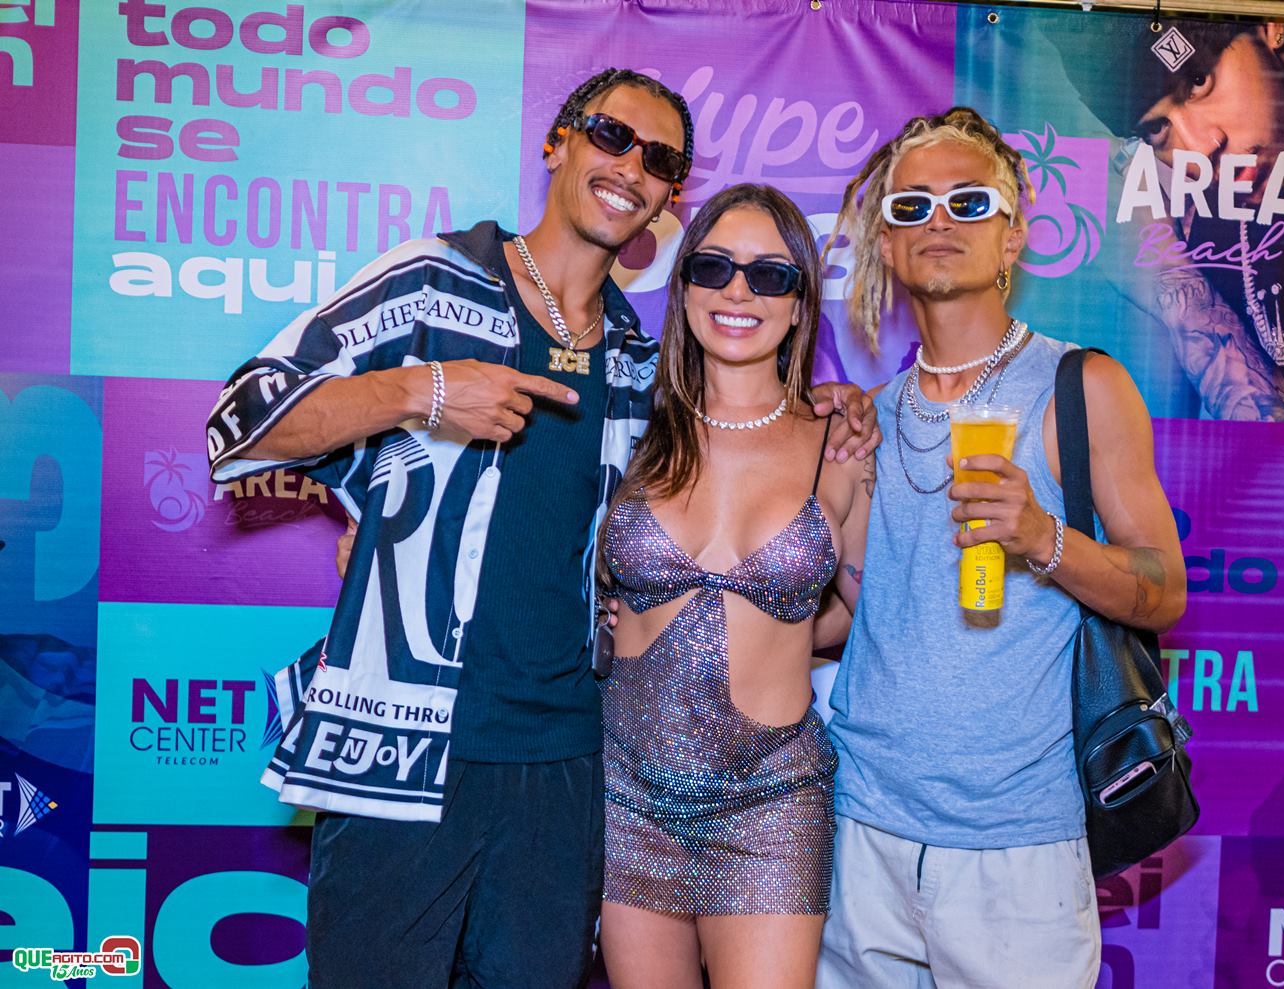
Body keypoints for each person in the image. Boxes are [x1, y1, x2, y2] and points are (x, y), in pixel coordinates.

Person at [206, 68, 876, 989]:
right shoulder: (434, 281)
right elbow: (240, 423)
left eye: (660, 159)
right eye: (611, 134)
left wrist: (833, 405)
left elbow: (722, 473)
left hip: (567, 773)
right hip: (404, 751)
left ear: (669, 198)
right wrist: (424, 389)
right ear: (558, 141)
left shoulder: (641, 362)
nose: (631, 166)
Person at [816, 107, 1187, 989]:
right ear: (886, 245)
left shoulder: (1081, 387)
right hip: (861, 829)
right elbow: (873, 611)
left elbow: (1164, 588)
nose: (939, 221)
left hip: (1017, 846)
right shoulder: (874, 414)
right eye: (911, 207)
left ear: (1013, 236)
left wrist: (1045, 537)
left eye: (969, 201)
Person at [597, 183, 874, 989]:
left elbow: (872, 617)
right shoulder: (628, 425)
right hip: (625, 794)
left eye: (770, 275)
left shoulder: (841, 445)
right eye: (713, 267)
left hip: (772, 802)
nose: (738, 292)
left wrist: (779, 629)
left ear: (801, 303)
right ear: (682, 286)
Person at [1053, 20, 1284, 421]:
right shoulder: (1203, 230)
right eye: (1157, 128)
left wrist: (1174, 276)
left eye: (1197, 82)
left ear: (1269, 27)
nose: (1201, 147)